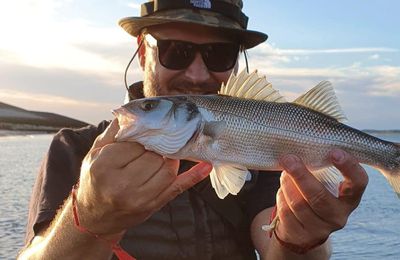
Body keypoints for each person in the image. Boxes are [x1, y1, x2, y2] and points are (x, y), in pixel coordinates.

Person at [19, 0, 368, 259]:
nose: (198, 75)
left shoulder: (264, 153)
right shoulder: (76, 148)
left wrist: (302, 239)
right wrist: (88, 214)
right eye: (176, 51)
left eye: (220, 55)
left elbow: (277, 246)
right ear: (143, 52)